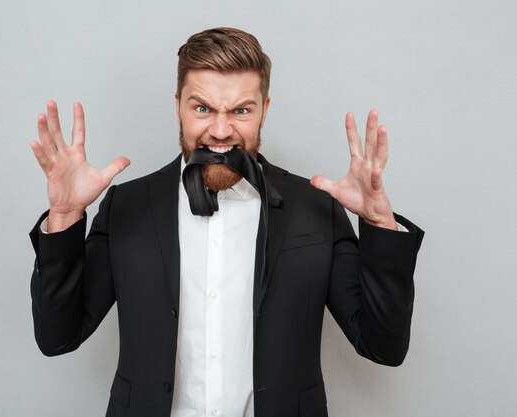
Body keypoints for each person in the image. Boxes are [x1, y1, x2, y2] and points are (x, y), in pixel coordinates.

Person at [28, 27, 424, 417]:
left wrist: (379, 224)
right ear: (178, 104)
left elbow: (383, 346)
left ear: (264, 110)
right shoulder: (126, 207)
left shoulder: (316, 208)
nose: (220, 131)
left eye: (241, 110)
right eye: (202, 108)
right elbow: (58, 337)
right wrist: (64, 217)